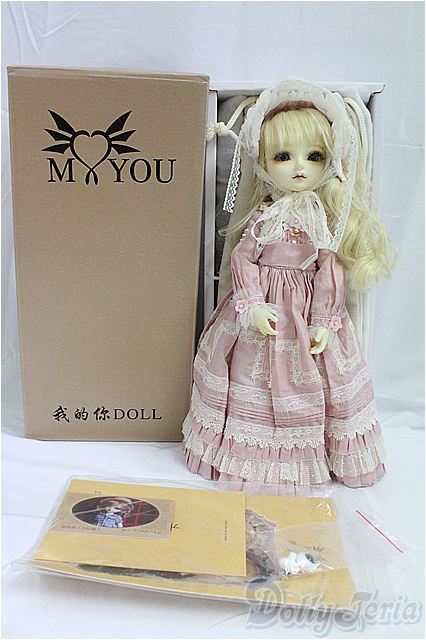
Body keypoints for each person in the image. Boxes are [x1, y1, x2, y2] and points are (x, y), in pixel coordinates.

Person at [182, 78, 395, 487]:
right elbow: (244, 257)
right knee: (251, 376)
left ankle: (312, 451)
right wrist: (251, 302)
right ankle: (249, 449)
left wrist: (324, 320)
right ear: (263, 161)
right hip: (264, 310)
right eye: (283, 156)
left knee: (316, 377)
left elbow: (329, 269)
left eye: (314, 156)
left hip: (304, 314)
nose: (300, 167)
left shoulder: (321, 217)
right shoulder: (265, 215)